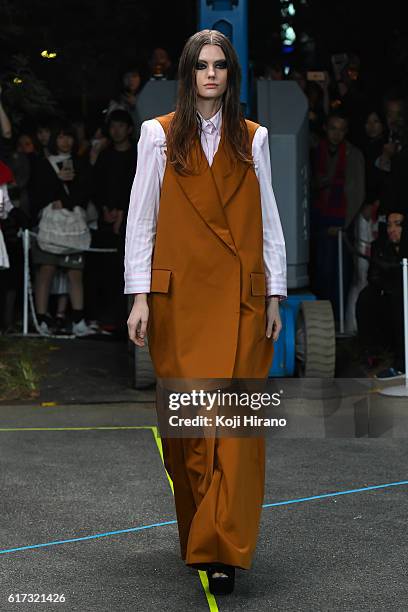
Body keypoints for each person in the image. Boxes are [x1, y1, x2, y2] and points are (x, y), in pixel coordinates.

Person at [125, 30, 286, 594]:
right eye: (202, 65)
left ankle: (224, 549)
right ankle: (200, 527)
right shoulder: (157, 135)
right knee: (191, 431)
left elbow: (269, 220)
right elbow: (140, 219)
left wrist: (276, 294)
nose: (211, 74)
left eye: (220, 66)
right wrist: (139, 295)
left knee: (238, 431)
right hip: (181, 302)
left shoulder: (254, 138)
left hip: (243, 302)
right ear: (188, 74)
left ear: (230, 75)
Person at [29, 122, 94, 336]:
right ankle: (42, 319)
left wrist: (67, 198)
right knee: (45, 270)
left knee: (75, 271)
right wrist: (57, 181)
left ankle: (78, 319)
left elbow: (86, 192)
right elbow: (37, 194)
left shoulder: (81, 163)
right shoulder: (42, 164)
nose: (65, 141)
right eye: (61, 137)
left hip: (74, 226)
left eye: (69, 137)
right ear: (54, 139)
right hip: (49, 226)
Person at [310, 110, 365, 322]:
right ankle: (322, 321)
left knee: (340, 274)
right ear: (325, 128)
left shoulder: (353, 155)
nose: (337, 134)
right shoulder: (316, 151)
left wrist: (343, 225)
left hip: (342, 223)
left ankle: (338, 320)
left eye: (342, 130)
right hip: (319, 221)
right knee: (321, 272)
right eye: (333, 128)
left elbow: (356, 192)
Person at [356, 211, 405, 379]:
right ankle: (373, 354)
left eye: (397, 224)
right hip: (388, 296)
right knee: (366, 298)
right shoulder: (381, 246)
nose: (392, 229)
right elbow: (373, 276)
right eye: (389, 225)